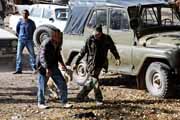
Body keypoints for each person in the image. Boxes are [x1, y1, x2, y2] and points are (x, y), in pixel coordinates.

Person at [73, 24, 121, 106]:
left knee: (92, 80)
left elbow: (113, 48)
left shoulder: (106, 38)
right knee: (94, 81)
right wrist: (76, 62)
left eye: (97, 34)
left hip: (101, 63)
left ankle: (81, 96)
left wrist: (117, 58)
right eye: (95, 34)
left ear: (101, 33)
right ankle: (97, 99)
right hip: (91, 63)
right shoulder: (90, 40)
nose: (96, 36)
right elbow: (83, 52)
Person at [36, 29, 72, 109]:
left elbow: (58, 55)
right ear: (52, 36)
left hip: (53, 65)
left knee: (62, 83)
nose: (58, 37)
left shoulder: (58, 43)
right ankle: (41, 103)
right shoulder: (46, 43)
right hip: (43, 66)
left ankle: (65, 102)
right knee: (42, 85)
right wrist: (47, 68)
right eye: (56, 36)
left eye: (59, 36)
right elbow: (42, 57)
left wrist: (62, 64)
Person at [13, 9, 36, 74]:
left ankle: (34, 69)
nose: (25, 15)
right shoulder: (20, 22)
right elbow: (17, 30)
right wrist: (20, 36)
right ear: (22, 14)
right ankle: (18, 69)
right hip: (21, 40)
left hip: (29, 40)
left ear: (28, 14)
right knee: (18, 55)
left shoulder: (31, 22)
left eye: (26, 13)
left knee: (32, 55)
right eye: (23, 13)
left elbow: (34, 31)